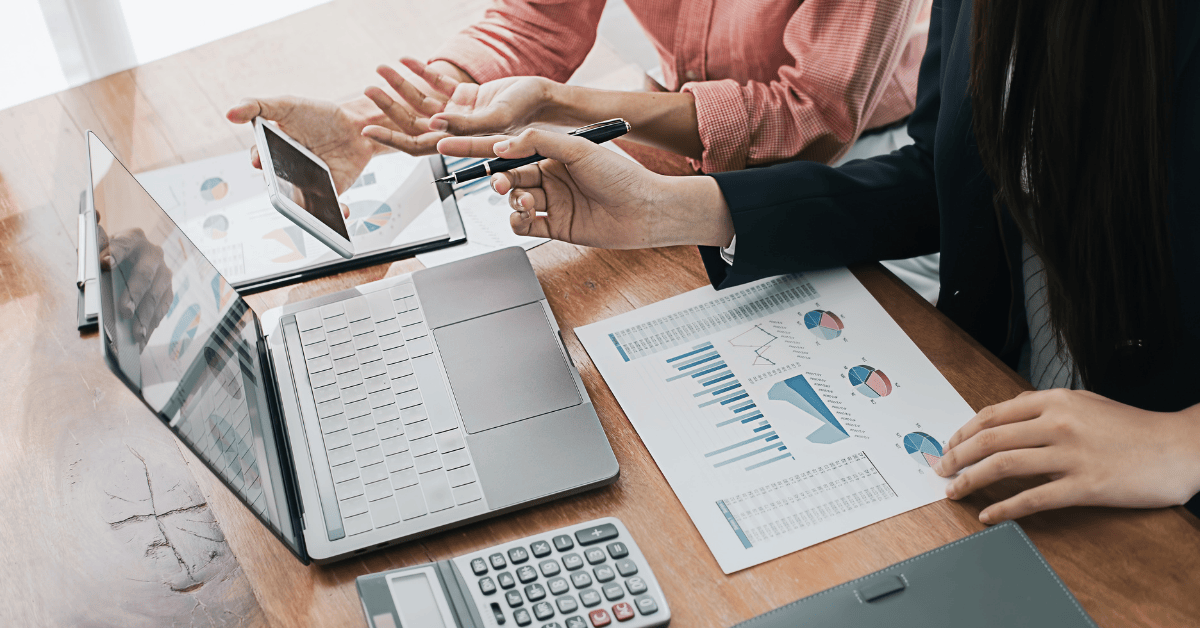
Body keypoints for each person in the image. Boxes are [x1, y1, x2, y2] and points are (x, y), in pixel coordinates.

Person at [435, 0, 1200, 521]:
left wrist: (1182, 444)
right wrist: (672, 209)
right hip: (991, 412)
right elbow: (942, 180)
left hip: (1160, 475)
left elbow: (814, 113)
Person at [226, 0, 930, 181]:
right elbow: (539, 20)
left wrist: (567, 106)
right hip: (672, 119)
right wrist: (367, 123)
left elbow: (810, 123)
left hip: (874, 144)